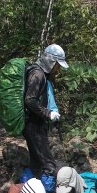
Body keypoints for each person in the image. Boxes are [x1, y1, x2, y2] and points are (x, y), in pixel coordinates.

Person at [24, 44, 68, 185]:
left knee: (37, 162)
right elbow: (30, 101)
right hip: (33, 125)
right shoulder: (37, 75)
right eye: (57, 65)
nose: (58, 69)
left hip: (35, 123)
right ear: (51, 62)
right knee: (48, 164)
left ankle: (27, 189)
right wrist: (48, 113)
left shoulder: (43, 74)